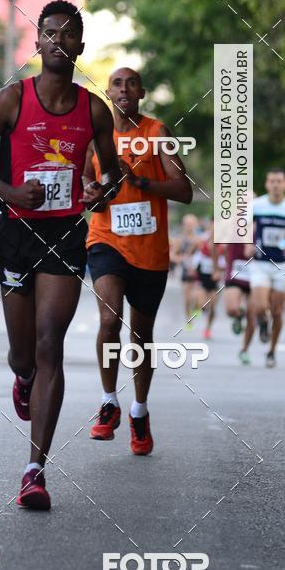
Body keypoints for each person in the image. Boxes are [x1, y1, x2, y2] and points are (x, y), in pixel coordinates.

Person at [0, 0, 121, 510]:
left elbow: (113, 173)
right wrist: (6, 190)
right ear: (37, 43)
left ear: (79, 45)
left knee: (52, 343)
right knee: (25, 351)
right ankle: (23, 377)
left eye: (67, 34)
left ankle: (35, 470)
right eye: (48, 33)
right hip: (15, 234)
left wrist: (100, 190)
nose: (57, 40)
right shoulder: (11, 100)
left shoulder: (94, 109)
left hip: (66, 236)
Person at [84, 67, 192, 455]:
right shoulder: (96, 136)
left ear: (142, 92)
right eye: (117, 83)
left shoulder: (156, 133)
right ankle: (109, 402)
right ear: (108, 92)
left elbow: (184, 190)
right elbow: (85, 185)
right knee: (110, 319)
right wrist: (91, 194)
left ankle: (139, 412)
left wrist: (140, 182)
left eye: (131, 83)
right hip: (106, 239)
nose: (124, 88)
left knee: (141, 336)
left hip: (149, 249)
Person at [239, 169, 285, 367]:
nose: (276, 185)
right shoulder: (257, 205)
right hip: (261, 263)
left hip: (283, 265)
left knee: (277, 311)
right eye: (272, 181)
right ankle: (262, 322)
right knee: (260, 306)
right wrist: (247, 243)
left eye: (279, 181)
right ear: (267, 184)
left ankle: (271, 351)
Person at [171, 214, 202, 329]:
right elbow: (172, 255)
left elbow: (205, 254)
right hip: (185, 272)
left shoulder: (199, 239)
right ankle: (189, 319)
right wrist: (181, 259)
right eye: (187, 224)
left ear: (196, 224)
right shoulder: (180, 239)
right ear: (184, 225)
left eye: (192, 224)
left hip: (197, 271)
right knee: (187, 298)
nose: (190, 226)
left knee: (198, 296)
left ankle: (198, 307)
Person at [195, 223, 221, 340]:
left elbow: (225, 260)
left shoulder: (222, 244)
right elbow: (195, 255)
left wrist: (219, 270)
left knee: (213, 307)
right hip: (203, 275)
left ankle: (208, 329)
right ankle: (200, 309)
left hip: (215, 278)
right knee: (201, 303)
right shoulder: (202, 240)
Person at [223, 242, 251, 335]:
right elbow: (218, 246)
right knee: (231, 310)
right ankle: (239, 316)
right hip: (235, 272)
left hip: (257, 271)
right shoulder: (233, 229)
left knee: (255, 313)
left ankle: (264, 320)